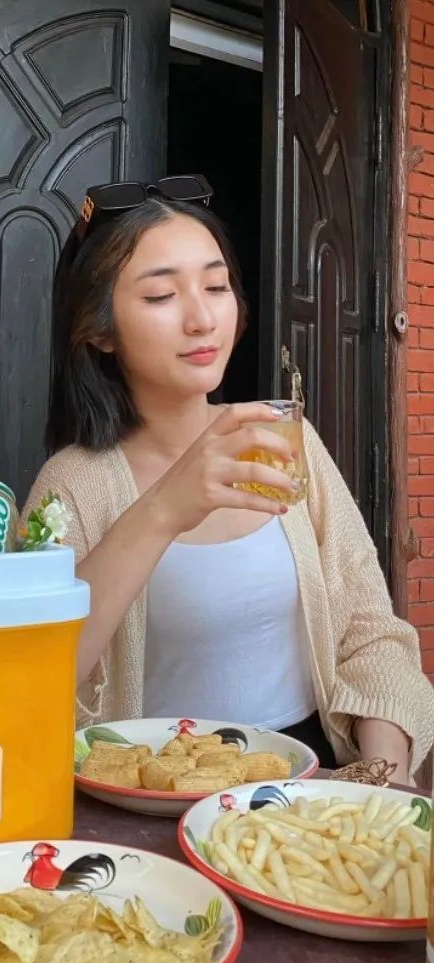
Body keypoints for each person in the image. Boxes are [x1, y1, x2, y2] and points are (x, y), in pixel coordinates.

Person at [23, 176, 434, 785]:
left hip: (308, 789)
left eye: (216, 287)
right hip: (157, 795)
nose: (201, 319)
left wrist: (382, 781)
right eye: (161, 296)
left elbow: (371, 633)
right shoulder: (72, 485)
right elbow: (32, 681)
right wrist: (164, 509)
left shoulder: (284, 443)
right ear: (101, 330)